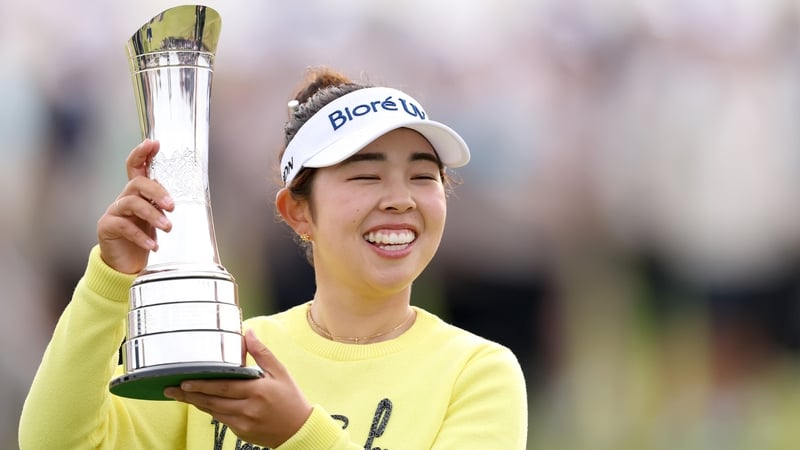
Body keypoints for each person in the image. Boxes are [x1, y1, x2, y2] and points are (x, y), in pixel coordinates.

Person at [19, 67, 528, 449]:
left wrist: (298, 434)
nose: (401, 198)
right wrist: (110, 280)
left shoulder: (477, 371)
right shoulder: (226, 358)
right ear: (297, 212)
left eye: (423, 176)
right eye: (365, 176)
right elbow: (54, 441)